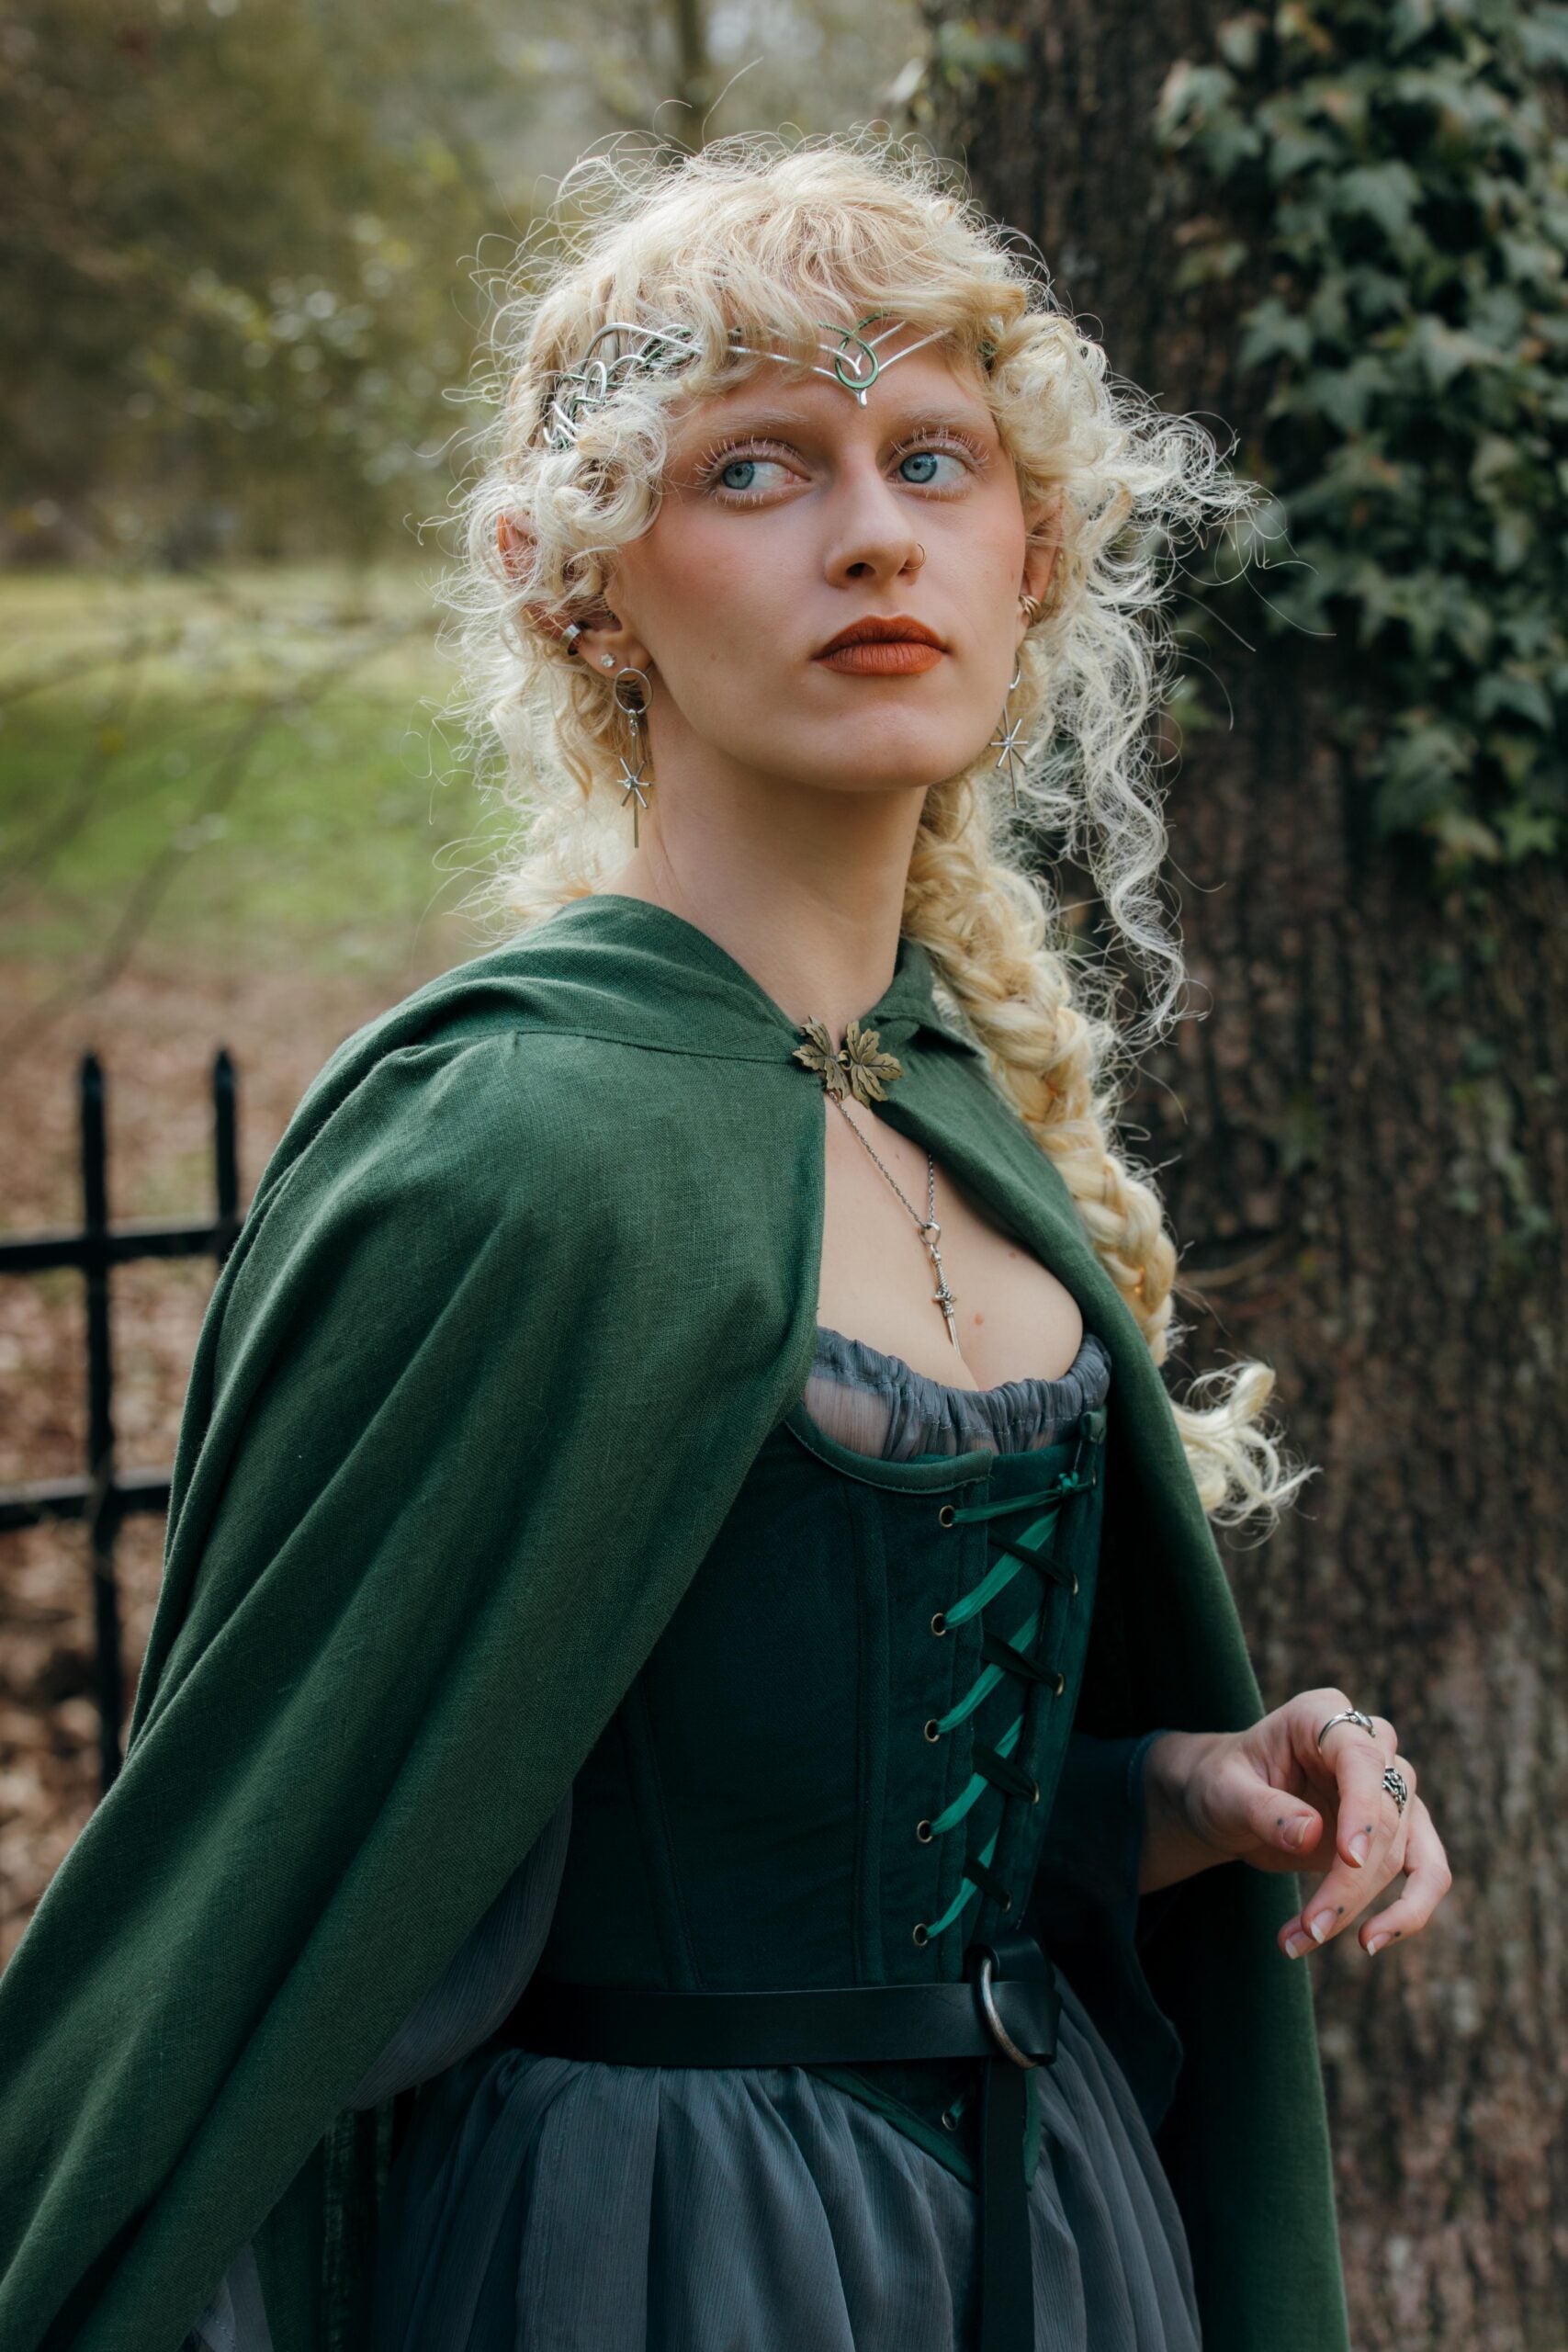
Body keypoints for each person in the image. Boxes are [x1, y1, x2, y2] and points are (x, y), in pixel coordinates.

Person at [0, 131, 1450, 2352]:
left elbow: (815, 1791)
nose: (874, 529)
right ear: (581, 582)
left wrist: (1182, 1785)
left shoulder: (956, 1100)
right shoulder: (502, 1148)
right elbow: (279, 1903)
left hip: (1047, 2233)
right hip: (655, 2260)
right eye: (757, 469)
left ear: (1030, 551)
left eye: (933, 456)